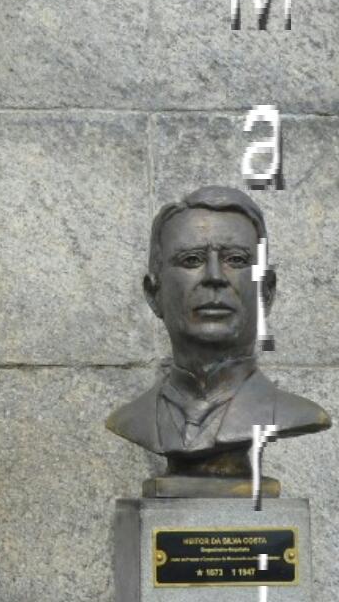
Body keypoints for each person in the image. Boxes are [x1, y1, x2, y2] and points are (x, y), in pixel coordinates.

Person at [106, 185, 329, 480]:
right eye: (191, 260)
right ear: (154, 294)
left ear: (266, 291)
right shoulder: (132, 419)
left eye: (236, 260)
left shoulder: (294, 413)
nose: (214, 277)